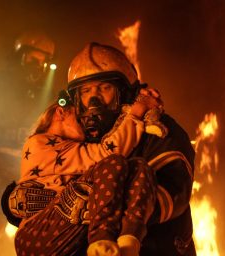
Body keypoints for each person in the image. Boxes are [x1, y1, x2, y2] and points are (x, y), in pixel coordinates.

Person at [66, 42, 196, 255]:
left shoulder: (159, 130)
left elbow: (174, 192)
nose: (93, 100)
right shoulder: (76, 139)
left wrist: (99, 208)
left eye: (104, 88)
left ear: (125, 92)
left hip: (156, 248)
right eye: (86, 91)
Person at [6, 88, 162, 256]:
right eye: (79, 118)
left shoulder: (68, 150)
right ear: (61, 112)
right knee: (113, 163)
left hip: (65, 234)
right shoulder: (39, 143)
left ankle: (128, 245)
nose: (85, 123)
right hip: (37, 235)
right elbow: (107, 153)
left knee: (138, 167)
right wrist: (137, 111)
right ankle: (102, 243)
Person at [0, 30, 56, 254]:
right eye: (32, 58)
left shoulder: (43, 92)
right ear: (20, 56)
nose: (37, 65)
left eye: (42, 61)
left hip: (21, 168)